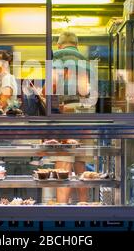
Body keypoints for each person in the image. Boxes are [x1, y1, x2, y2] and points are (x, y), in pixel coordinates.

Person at [43, 31, 93, 203]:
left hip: (65, 115)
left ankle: (61, 210)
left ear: (59, 45)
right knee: (81, 166)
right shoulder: (87, 62)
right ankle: (83, 207)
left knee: (63, 165)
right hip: (86, 117)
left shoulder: (56, 58)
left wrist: (43, 94)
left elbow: (52, 86)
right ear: (76, 45)